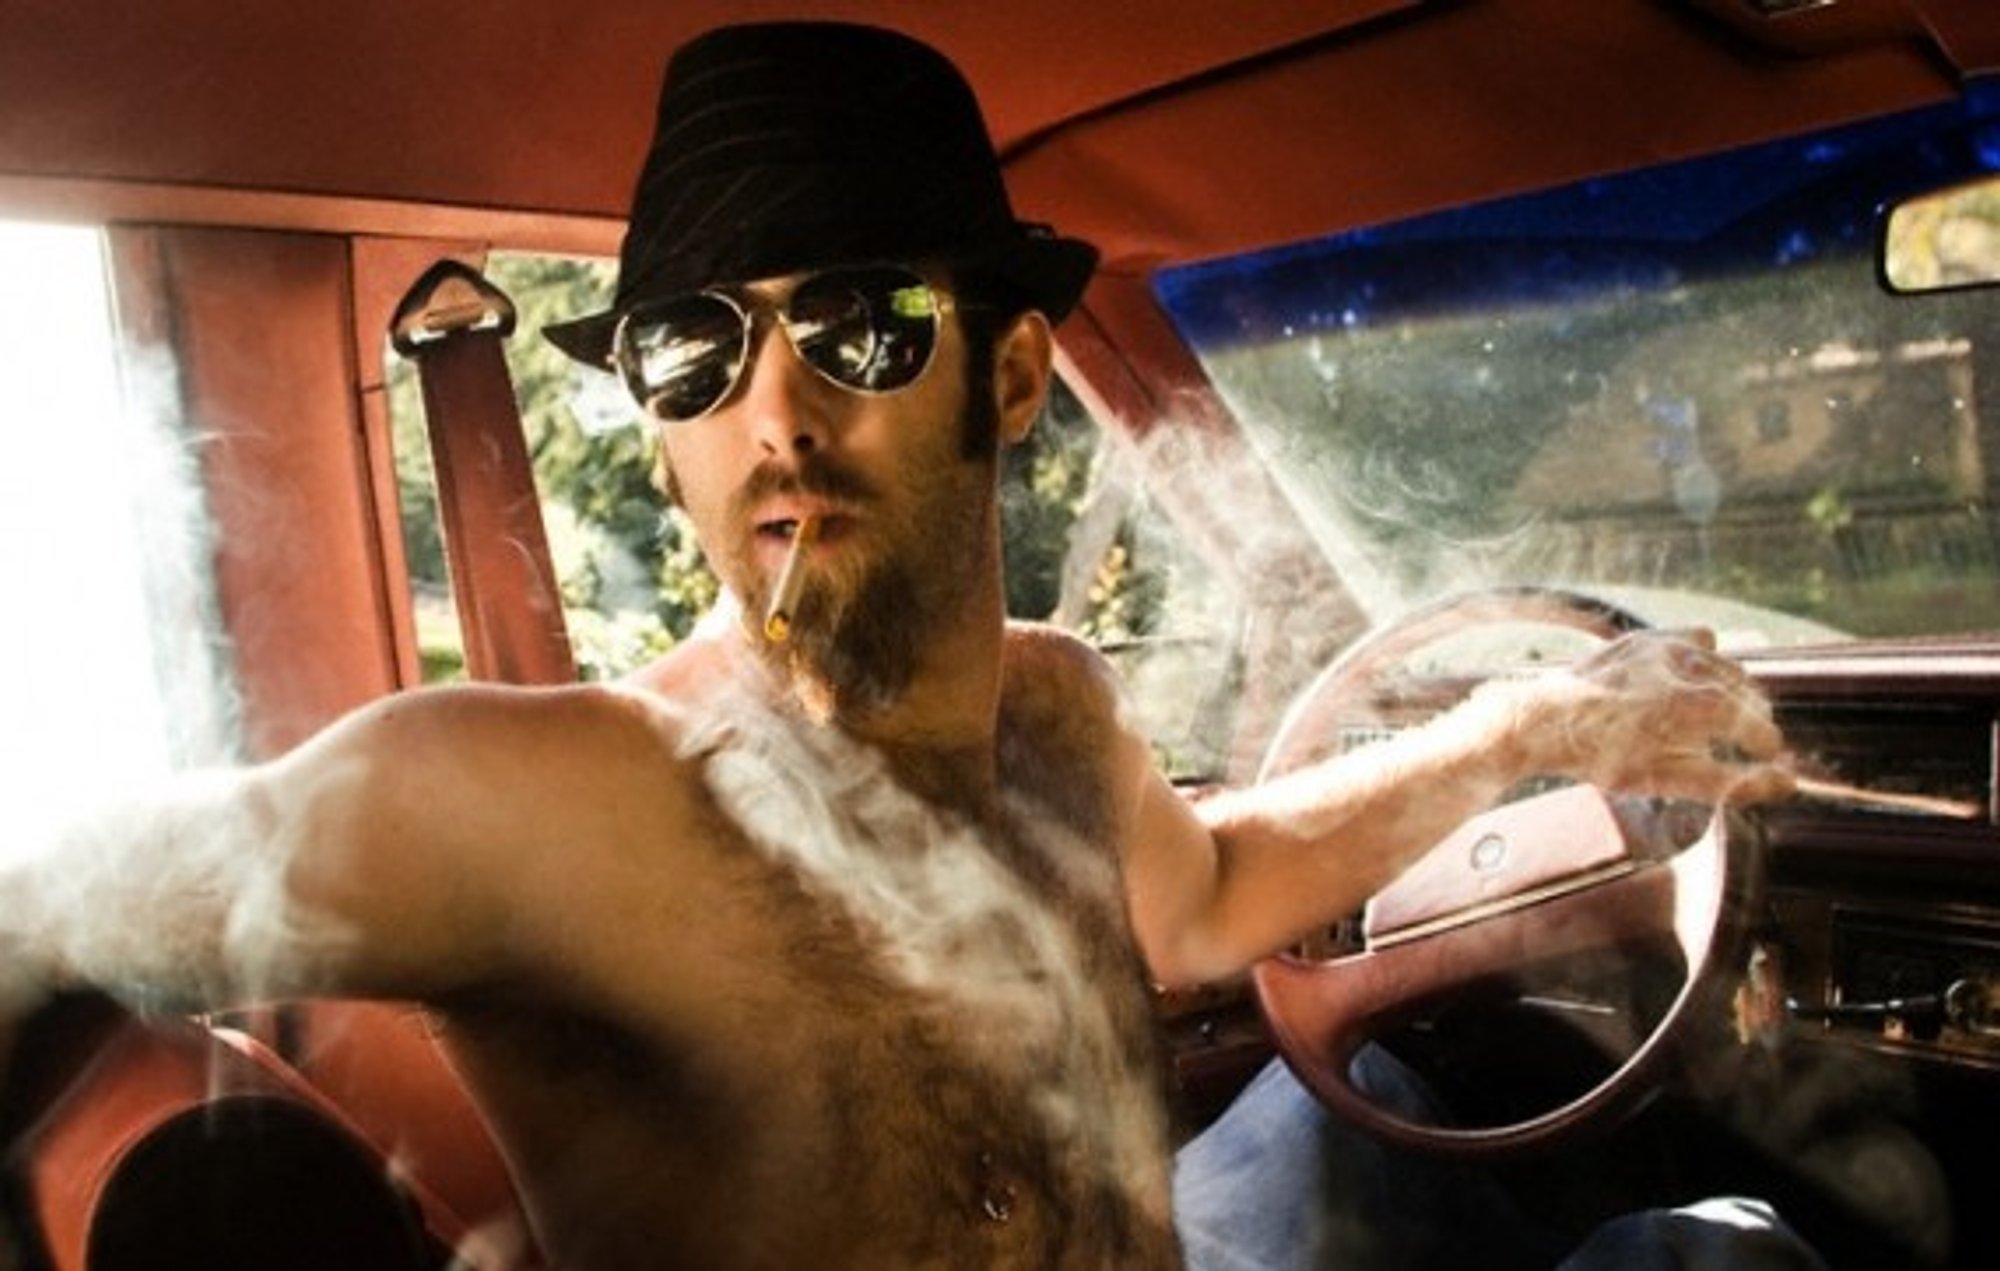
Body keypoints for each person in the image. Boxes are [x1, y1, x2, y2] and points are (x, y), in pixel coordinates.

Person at [1, 20, 1813, 1271]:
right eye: (695, 355)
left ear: (1011, 376)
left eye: (859, 324)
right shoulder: (524, 800)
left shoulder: (1056, 708)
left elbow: (1204, 896)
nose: (775, 415)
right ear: (661, 434)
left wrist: (1525, 732)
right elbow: (37, 908)